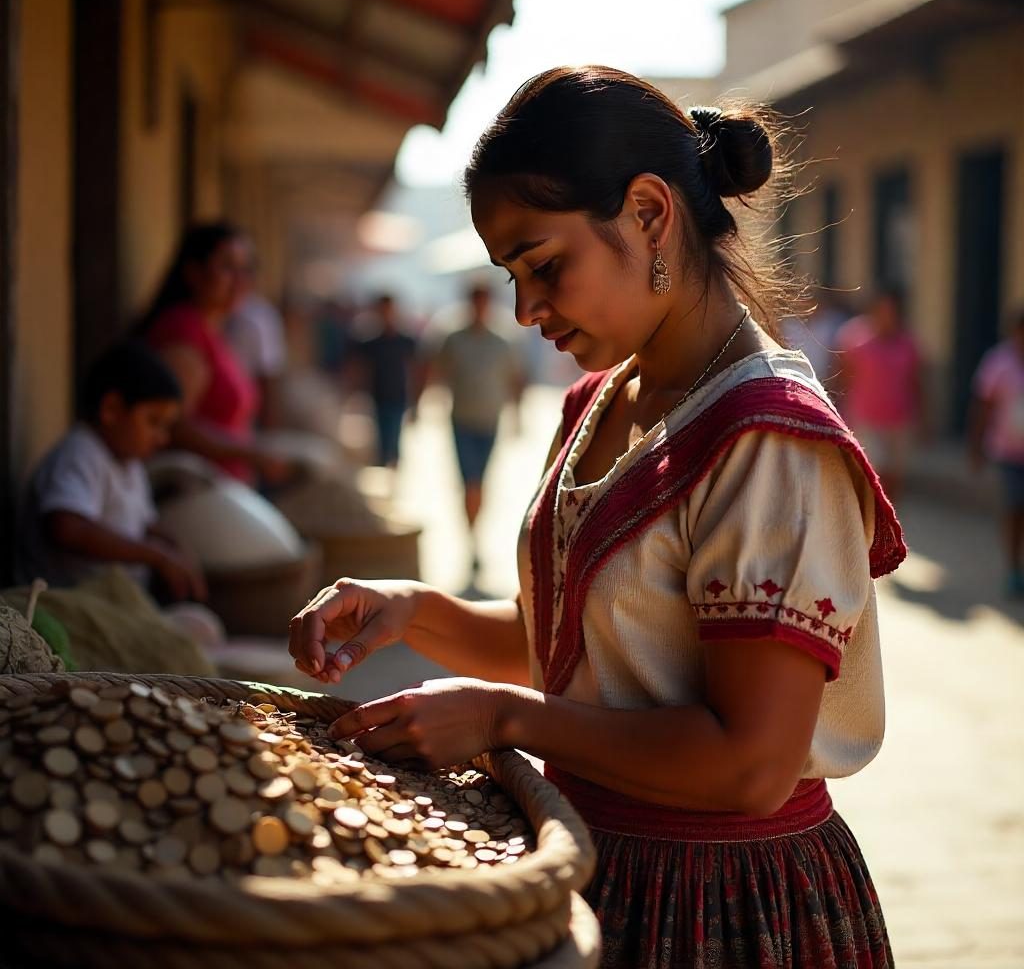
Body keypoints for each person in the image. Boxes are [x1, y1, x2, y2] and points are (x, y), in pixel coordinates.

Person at [288, 67, 904, 969]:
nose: (524, 309)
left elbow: (751, 765)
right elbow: (577, 649)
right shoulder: (600, 403)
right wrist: (414, 610)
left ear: (650, 213)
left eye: (544, 266)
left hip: (721, 903)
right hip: (592, 860)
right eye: (510, 276)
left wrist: (504, 719)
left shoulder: (767, 440)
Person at [18, 341, 206, 605]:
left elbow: (143, 524)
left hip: (112, 603)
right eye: (153, 422)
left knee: (197, 622)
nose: (162, 438)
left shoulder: (130, 463)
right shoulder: (81, 452)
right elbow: (67, 528)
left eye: (166, 427)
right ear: (112, 409)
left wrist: (173, 547)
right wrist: (155, 555)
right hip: (67, 604)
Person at [136, 221, 291, 485]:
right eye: (227, 267)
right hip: (193, 493)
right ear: (194, 272)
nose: (241, 281)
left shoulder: (214, 329)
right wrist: (250, 453)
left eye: (247, 269)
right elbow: (175, 426)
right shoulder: (182, 331)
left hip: (223, 486)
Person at [419, 282, 523, 569]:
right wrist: (420, 403)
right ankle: (471, 536)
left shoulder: (502, 341)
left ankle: (475, 532)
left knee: (480, 483)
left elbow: (515, 378)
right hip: (462, 420)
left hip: (489, 420)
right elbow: (433, 370)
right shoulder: (453, 339)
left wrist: (518, 414)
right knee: (469, 482)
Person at [836, 290, 924, 503]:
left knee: (894, 476)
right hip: (865, 420)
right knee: (876, 472)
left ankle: (890, 516)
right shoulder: (854, 338)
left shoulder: (908, 343)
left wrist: (923, 417)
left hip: (899, 420)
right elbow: (842, 378)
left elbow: (916, 382)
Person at [969, 310, 1024, 596]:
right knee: (1014, 507)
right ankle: (1013, 569)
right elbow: (983, 405)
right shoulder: (999, 363)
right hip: (1008, 452)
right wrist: (976, 446)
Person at [224, 236, 288, 430]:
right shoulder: (200, 325)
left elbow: (268, 379)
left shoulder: (258, 317)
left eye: (245, 270)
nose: (237, 279)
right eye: (227, 268)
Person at [348, 294, 418, 468]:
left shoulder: (405, 341)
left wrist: (416, 395)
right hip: (379, 394)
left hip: (398, 394)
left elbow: (416, 369)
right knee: (382, 434)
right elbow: (359, 367)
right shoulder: (372, 343)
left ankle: (392, 464)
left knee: (394, 432)